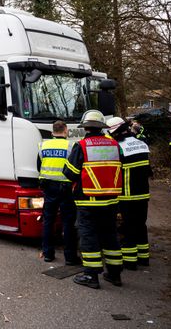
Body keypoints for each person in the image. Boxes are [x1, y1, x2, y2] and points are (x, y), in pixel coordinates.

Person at [63, 110, 124, 289]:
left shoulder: (81, 146)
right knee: (110, 236)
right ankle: (114, 274)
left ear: (86, 127)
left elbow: (70, 173)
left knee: (89, 236)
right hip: (111, 200)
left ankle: (91, 275)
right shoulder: (114, 145)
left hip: (88, 201)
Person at [107, 117, 152, 269]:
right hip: (143, 193)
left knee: (128, 227)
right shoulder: (141, 143)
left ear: (117, 132)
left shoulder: (119, 148)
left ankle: (130, 261)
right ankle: (143, 257)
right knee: (141, 225)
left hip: (127, 195)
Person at [37, 120, 79, 265]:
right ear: (65, 130)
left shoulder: (43, 145)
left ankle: (48, 254)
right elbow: (75, 169)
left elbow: (39, 165)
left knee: (48, 220)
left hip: (48, 187)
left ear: (52, 131)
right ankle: (70, 257)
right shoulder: (71, 145)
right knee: (68, 222)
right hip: (66, 188)